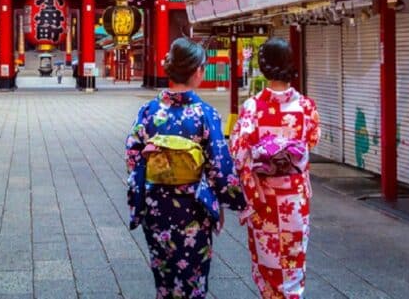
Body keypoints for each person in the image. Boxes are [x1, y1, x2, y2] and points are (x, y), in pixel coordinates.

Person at [125, 38, 246, 299]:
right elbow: (219, 166)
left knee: (164, 276)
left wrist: (147, 173)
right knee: (192, 278)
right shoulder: (205, 114)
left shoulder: (149, 111)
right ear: (197, 71)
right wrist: (229, 201)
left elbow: (133, 155)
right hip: (192, 207)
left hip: (156, 204)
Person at [230, 38, 320, 299]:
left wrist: (251, 180)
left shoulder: (252, 108)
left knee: (267, 260)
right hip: (294, 196)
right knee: (293, 259)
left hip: (264, 197)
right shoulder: (306, 107)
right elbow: (312, 140)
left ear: (263, 67)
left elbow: (239, 153)